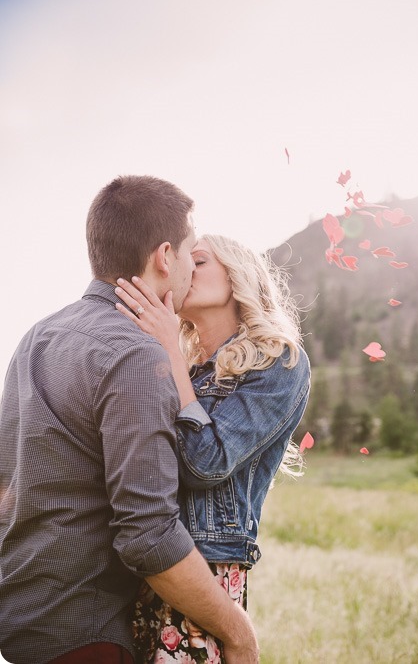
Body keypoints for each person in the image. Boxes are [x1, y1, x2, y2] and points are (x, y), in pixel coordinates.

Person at [0, 176, 259, 664]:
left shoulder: (38, 335)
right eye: (188, 252)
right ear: (165, 257)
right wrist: (238, 632)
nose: (189, 264)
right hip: (84, 633)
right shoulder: (134, 355)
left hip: (19, 621)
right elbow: (148, 535)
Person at [114, 233, 311, 663]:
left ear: (238, 276)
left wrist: (167, 346)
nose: (184, 270)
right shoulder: (186, 368)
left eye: (198, 261)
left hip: (205, 565)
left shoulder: (279, 360)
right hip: (145, 565)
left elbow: (206, 463)